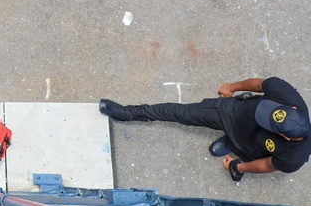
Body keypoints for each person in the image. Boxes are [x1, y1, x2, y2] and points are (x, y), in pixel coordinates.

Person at [100, 77, 311, 180]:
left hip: (249, 146)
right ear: (291, 107)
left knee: (239, 149)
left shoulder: (293, 158)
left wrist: (237, 168)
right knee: (180, 113)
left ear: (283, 135)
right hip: (232, 112)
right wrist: (232, 87)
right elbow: (260, 84)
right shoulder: (288, 95)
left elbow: (266, 164)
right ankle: (126, 113)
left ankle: (231, 142)